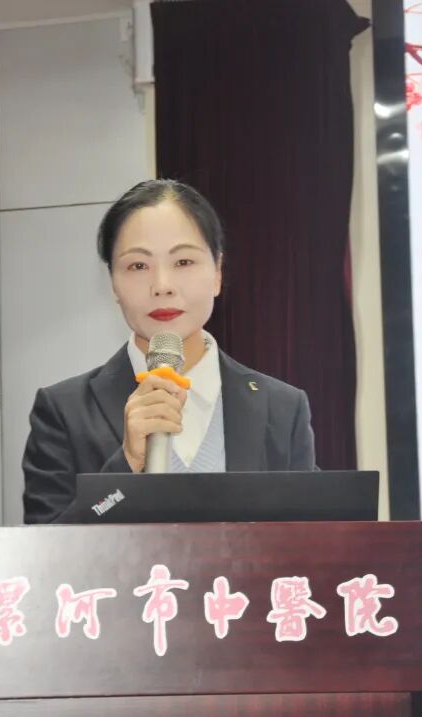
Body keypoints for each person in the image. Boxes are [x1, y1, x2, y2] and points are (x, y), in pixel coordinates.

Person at [22, 179, 316, 524]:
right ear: (113, 283)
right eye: (138, 266)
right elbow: (46, 548)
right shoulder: (64, 412)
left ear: (217, 273)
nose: (162, 286)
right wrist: (126, 466)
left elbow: (312, 541)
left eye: (183, 262)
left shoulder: (282, 408)